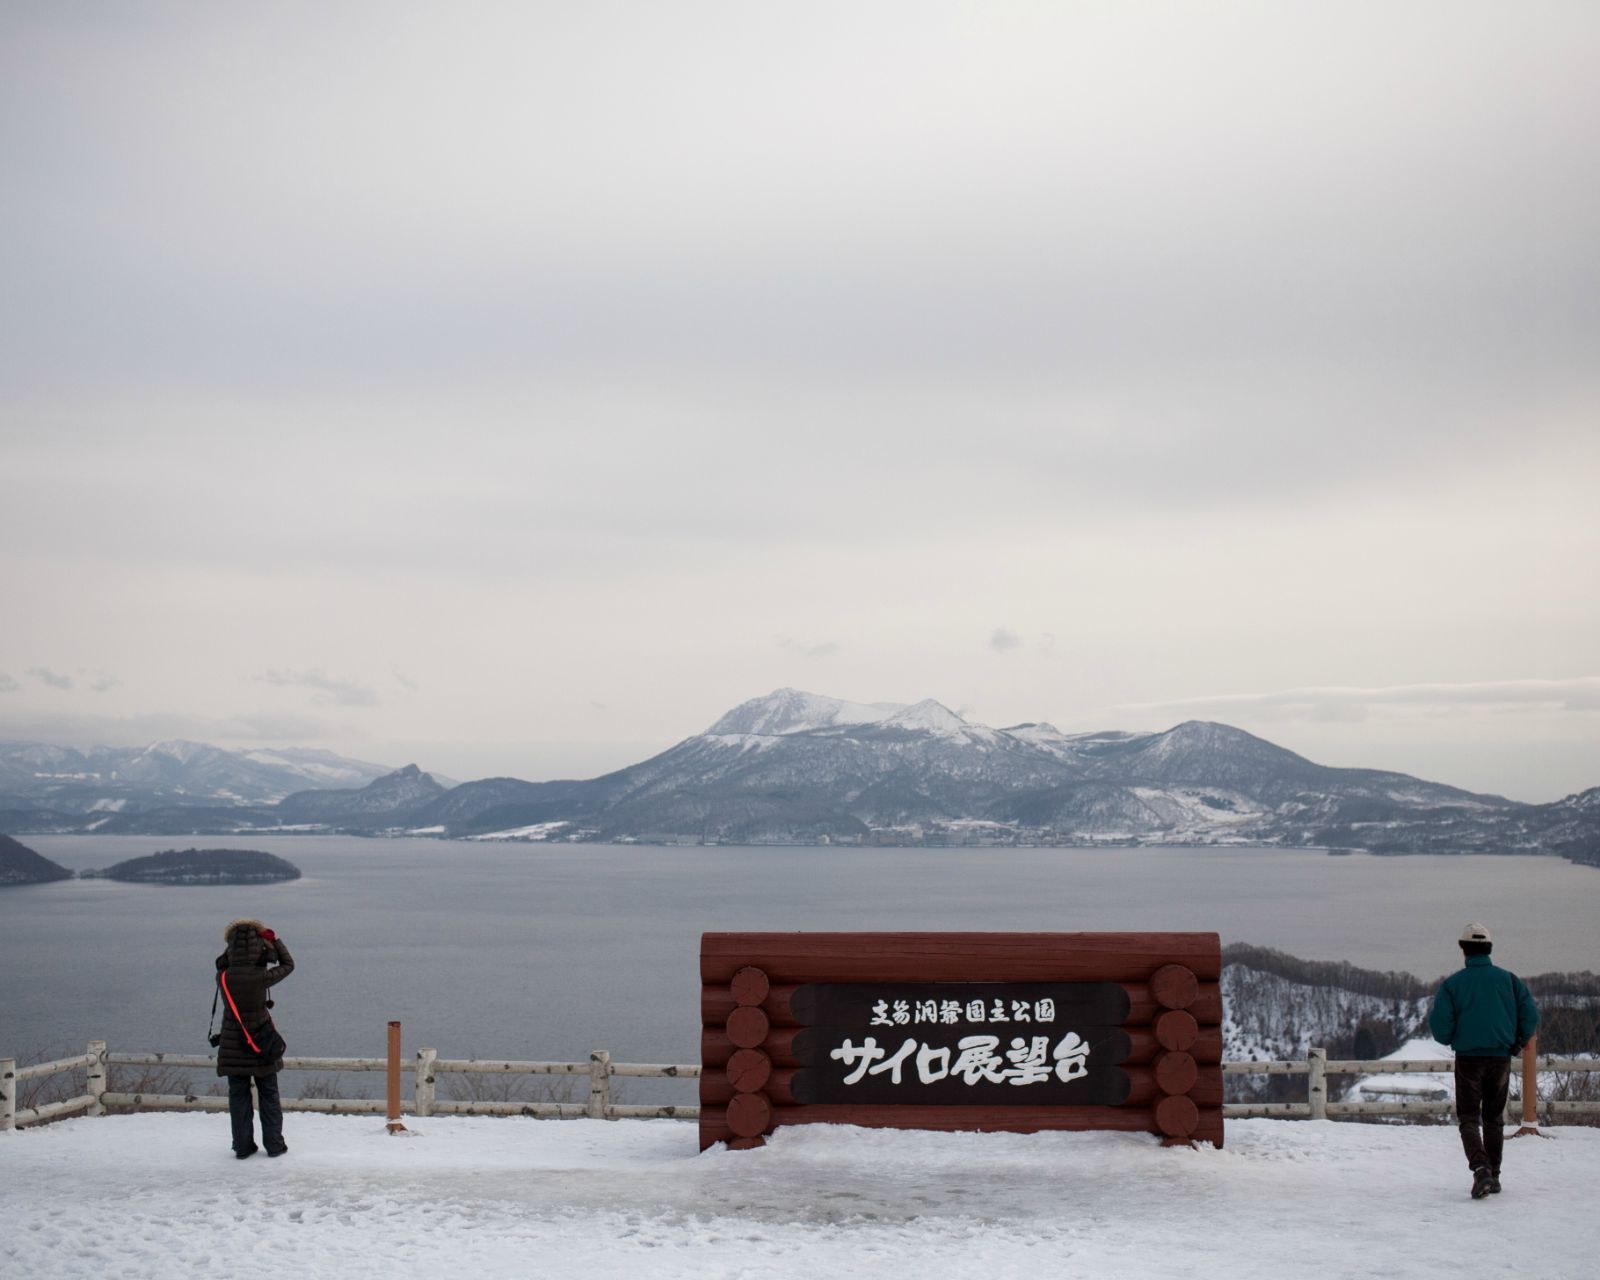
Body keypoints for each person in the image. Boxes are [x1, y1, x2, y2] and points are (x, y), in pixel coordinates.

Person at [1428, 922, 1538, 1199]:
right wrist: (1515, 1042)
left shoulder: (1452, 985)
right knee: (1493, 1118)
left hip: (1468, 1059)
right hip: (1500, 1057)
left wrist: (1457, 1036)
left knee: (1468, 1118)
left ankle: (1481, 1170)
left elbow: (1440, 1029)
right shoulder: (1510, 981)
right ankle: (1495, 1174)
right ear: (1489, 948)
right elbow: (1531, 1017)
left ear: (1464, 949)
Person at [214, 918, 295, 1159]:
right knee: (269, 1094)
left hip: (232, 1043)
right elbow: (288, 964)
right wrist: (273, 941)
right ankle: (274, 1145)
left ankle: (242, 1147)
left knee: (238, 1098)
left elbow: (224, 961)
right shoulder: (261, 977)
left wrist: (233, 942)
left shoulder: (223, 977)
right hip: (260, 1042)